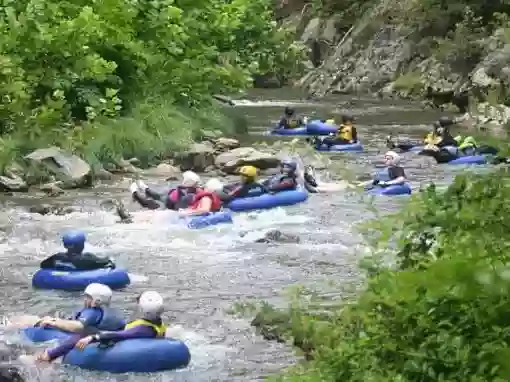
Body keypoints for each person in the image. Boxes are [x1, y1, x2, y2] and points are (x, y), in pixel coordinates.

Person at [36, 283, 125, 362]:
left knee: (78, 336)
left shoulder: (94, 312)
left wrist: (54, 323)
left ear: (97, 301)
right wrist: (55, 320)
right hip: (103, 331)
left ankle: (50, 355)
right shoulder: (104, 310)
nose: (85, 299)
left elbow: (77, 327)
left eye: (88, 297)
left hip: (100, 334)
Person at [74, 291, 167, 351]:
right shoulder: (158, 322)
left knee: (85, 330)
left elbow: (118, 335)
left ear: (142, 309)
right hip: (123, 327)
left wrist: (92, 337)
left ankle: (60, 355)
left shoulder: (142, 329)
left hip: (119, 332)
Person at [40, 231, 115, 271]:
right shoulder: (86, 258)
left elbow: (43, 265)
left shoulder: (57, 257)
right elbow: (104, 262)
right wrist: (110, 260)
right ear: (81, 245)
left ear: (65, 245)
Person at [130, 171, 202, 210]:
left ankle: (143, 188)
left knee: (156, 197)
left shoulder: (187, 190)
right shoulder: (189, 193)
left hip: (169, 200)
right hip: (169, 202)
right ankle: (136, 191)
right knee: (153, 203)